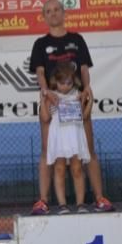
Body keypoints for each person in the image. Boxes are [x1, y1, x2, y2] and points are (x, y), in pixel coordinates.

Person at [29, 0, 114, 215]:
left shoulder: (77, 39)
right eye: (48, 11)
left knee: (88, 149)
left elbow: (84, 68)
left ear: (64, 13)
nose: (53, 13)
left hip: (77, 101)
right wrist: (46, 93)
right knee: (48, 151)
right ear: (44, 16)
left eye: (57, 9)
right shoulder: (40, 44)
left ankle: (99, 198)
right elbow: (39, 72)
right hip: (52, 102)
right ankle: (44, 200)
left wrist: (86, 89)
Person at [41, 61, 93, 214]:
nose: (65, 86)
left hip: (75, 135)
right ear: (55, 82)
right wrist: (43, 100)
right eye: (61, 82)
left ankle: (80, 204)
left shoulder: (78, 95)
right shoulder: (52, 96)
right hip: (59, 136)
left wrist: (90, 100)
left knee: (77, 169)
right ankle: (62, 205)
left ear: (73, 81)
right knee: (59, 169)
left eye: (69, 82)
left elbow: (84, 116)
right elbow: (45, 118)